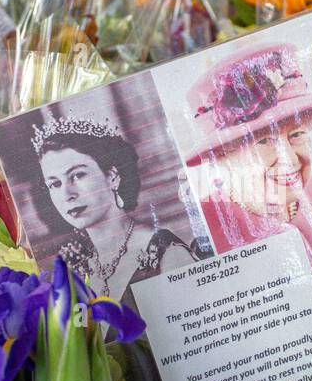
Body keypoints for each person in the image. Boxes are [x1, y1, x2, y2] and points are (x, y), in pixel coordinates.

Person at [182, 43, 312, 268]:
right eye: (263, 141)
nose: (290, 160)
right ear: (224, 155)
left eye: (297, 133)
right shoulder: (205, 230)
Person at [32, 115, 197, 302]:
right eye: (54, 184)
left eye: (78, 175)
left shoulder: (168, 255)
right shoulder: (75, 269)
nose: (67, 194)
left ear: (112, 176)